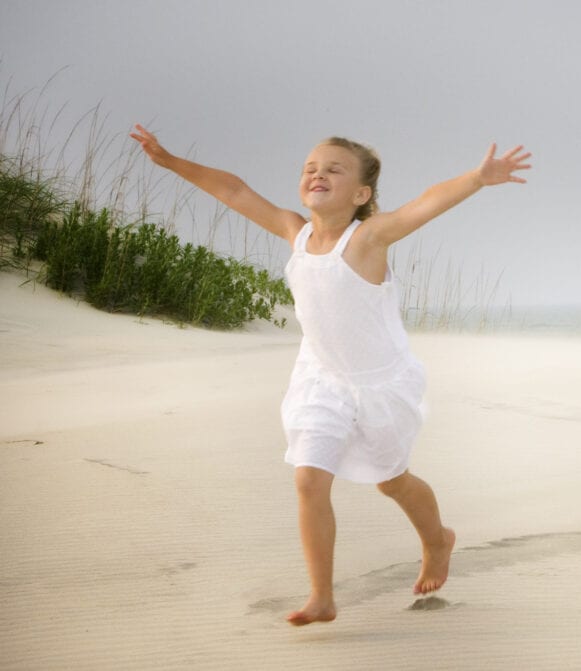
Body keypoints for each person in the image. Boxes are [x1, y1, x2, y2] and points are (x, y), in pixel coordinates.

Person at [129, 124, 531, 626]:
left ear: (362, 194)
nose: (317, 174)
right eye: (310, 168)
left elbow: (422, 204)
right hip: (321, 380)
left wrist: (477, 177)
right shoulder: (292, 231)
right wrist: (170, 162)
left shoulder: (368, 238)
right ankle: (321, 596)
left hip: (380, 384)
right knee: (308, 479)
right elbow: (232, 189)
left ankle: (437, 539)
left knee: (393, 482)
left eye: (334, 170)